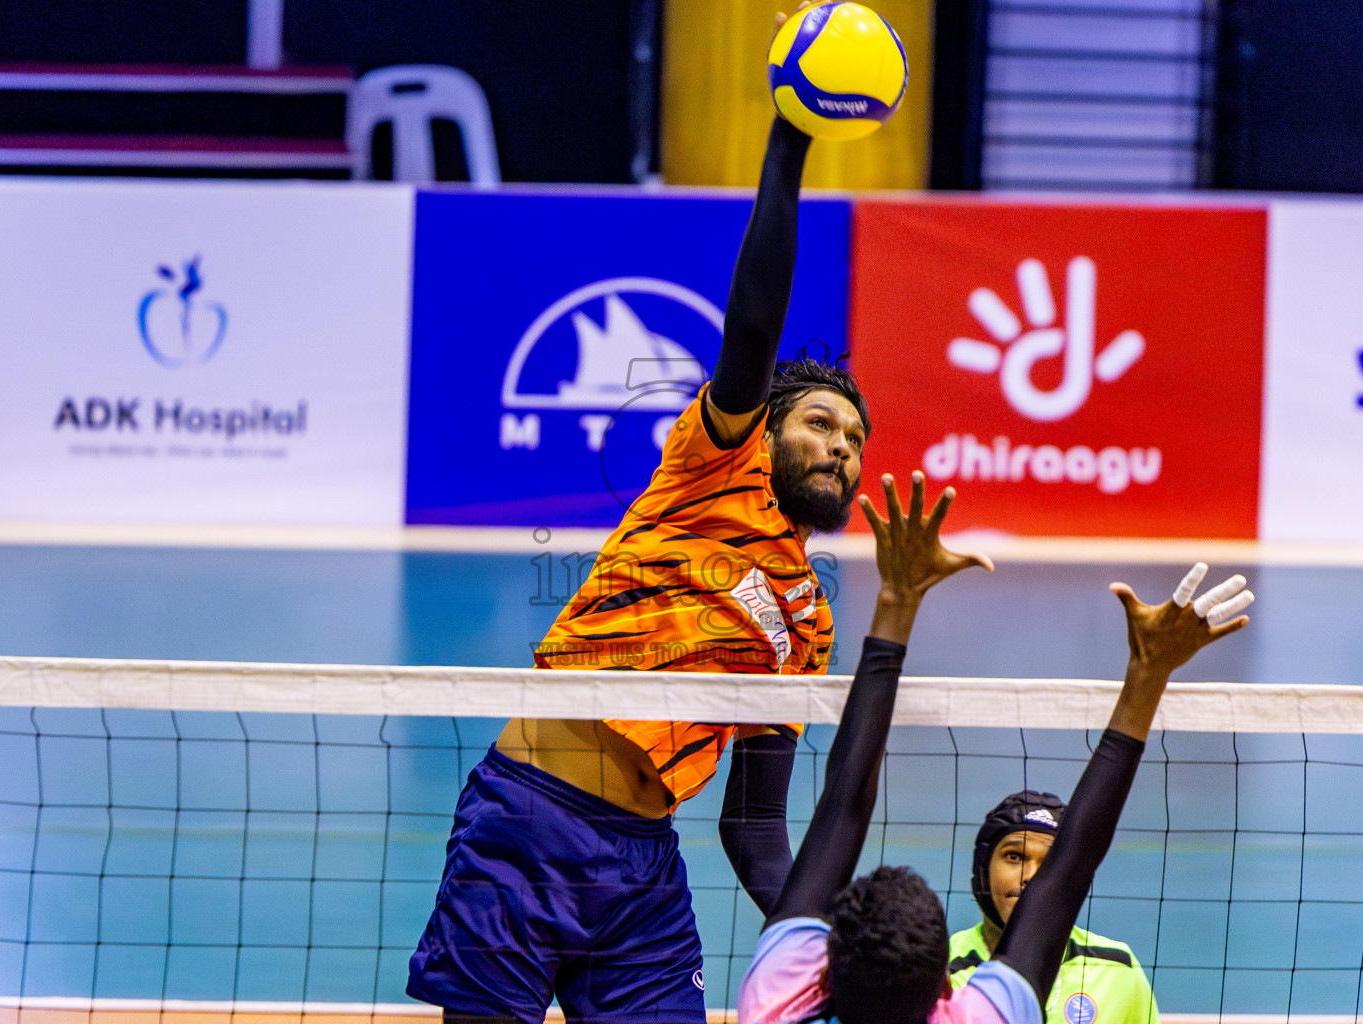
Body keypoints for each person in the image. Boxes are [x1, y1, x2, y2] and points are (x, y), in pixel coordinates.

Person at [406, 52, 944, 1023]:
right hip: (532, 814)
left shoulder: (807, 623)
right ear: (768, 428)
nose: (841, 446)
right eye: (820, 422)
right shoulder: (712, 466)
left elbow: (752, 826)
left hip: (645, 869)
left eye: (855, 439)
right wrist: (791, 136)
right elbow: (755, 315)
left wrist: (829, 954)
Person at [737, 557, 1254, 1024]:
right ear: (946, 988)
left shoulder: (775, 1000)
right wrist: (1150, 670)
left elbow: (843, 804)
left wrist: (896, 597)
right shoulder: (981, 1018)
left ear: (821, 969)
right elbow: (1071, 864)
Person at [949, 790, 1159, 1024]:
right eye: (1014, 856)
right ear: (982, 869)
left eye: (1049, 862)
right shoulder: (941, 973)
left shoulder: (1117, 968)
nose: (1030, 877)